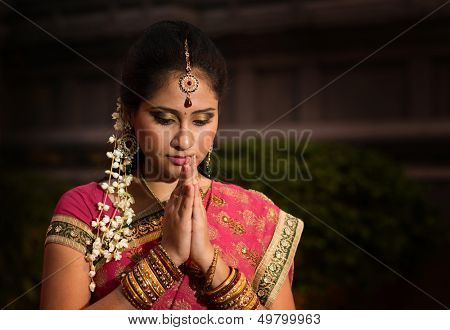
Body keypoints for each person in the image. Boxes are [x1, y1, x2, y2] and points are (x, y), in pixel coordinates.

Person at [40, 20, 304, 310]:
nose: (185, 140)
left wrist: (210, 263)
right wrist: (166, 258)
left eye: (202, 120)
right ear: (130, 115)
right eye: (165, 119)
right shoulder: (86, 210)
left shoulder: (257, 215)